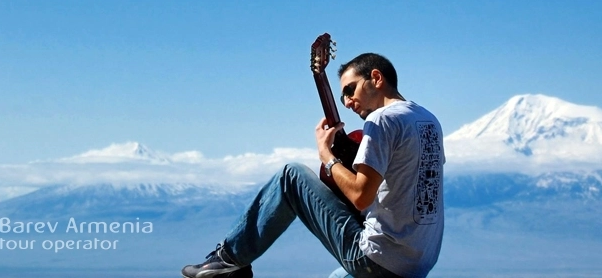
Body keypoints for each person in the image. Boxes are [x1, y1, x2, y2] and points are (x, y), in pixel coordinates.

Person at [181, 53, 445, 278]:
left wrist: (326, 155)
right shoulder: (428, 120)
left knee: (291, 176)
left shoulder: (382, 119)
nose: (347, 102)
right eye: (342, 97)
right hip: (415, 265)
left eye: (350, 90)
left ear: (376, 78)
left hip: (377, 260)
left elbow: (361, 196)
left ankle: (229, 260)